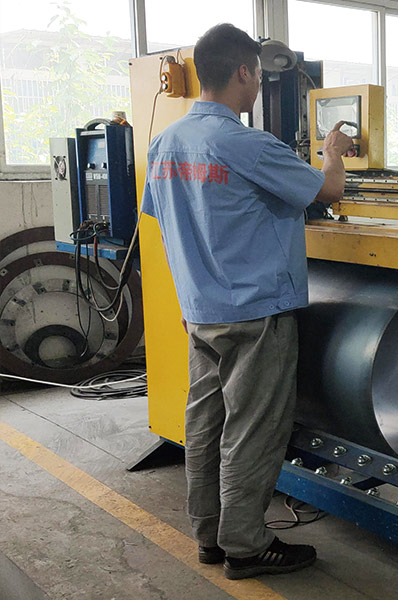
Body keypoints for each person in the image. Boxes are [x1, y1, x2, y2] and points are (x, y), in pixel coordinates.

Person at [140, 23, 354, 580]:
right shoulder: (246, 143)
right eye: (258, 74)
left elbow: (168, 216)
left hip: (200, 310)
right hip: (257, 314)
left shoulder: (165, 142)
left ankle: (209, 535)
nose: (259, 84)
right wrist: (332, 154)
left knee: (206, 423)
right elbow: (329, 191)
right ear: (242, 72)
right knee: (253, 429)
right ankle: (246, 546)